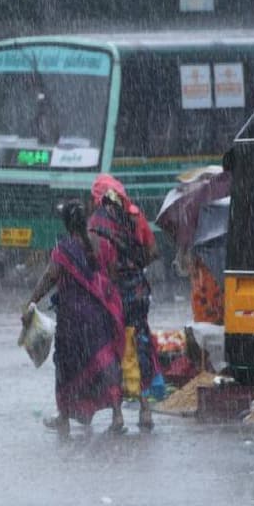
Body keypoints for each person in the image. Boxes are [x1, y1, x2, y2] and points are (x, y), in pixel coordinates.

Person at [24, 200, 125, 435]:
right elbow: (113, 275)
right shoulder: (101, 244)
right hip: (99, 316)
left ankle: (65, 417)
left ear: (67, 224)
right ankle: (118, 415)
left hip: (72, 321)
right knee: (105, 363)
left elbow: (50, 277)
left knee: (67, 368)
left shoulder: (63, 250)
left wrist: (31, 301)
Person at [87, 173, 158, 431]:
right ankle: (145, 408)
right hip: (138, 292)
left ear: (98, 197)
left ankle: (117, 415)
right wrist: (135, 266)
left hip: (110, 296)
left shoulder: (95, 224)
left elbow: (96, 263)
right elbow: (153, 252)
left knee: (112, 350)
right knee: (140, 345)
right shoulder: (135, 215)